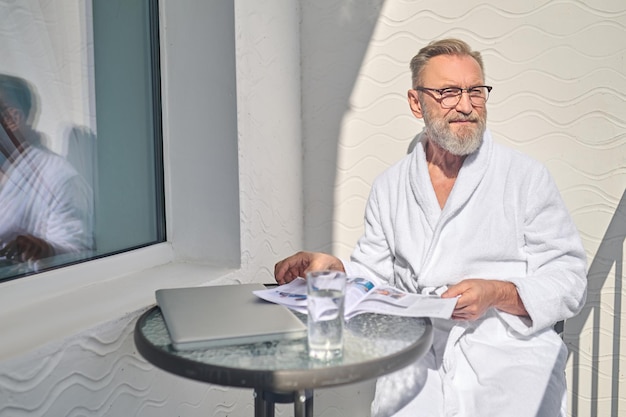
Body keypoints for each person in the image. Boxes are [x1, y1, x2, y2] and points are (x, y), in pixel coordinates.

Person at [274, 39, 587, 416]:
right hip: (417, 346)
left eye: (475, 91)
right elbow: (374, 278)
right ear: (415, 102)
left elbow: (569, 280)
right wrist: (334, 270)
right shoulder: (390, 186)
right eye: (449, 92)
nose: (467, 105)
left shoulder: (525, 177)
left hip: (507, 345)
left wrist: (497, 292)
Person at [0, 74, 93, 269]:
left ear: (12, 118)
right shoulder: (6, 168)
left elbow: (78, 254)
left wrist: (44, 250)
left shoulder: (60, 178)